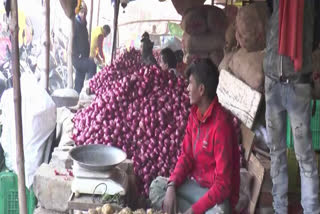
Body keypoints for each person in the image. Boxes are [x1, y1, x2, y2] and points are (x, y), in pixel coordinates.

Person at [149, 59, 240, 214]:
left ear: (202, 89)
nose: (188, 88)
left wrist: (194, 210)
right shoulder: (194, 116)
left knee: (220, 212)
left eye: (190, 83)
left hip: (215, 197)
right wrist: (171, 185)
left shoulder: (221, 125)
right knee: (157, 186)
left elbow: (223, 186)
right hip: (195, 187)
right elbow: (186, 156)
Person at [263, 0, 320, 213]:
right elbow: (268, 15)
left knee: (304, 156)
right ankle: (280, 208)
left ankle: (311, 210)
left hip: (298, 83)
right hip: (272, 81)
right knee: (276, 151)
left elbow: (316, 33)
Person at [72, 1, 96, 94]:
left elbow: (85, 41)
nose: (83, 15)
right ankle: (90, 90)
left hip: (83, 56)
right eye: (82, 12)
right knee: (91, 65)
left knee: (79, 78)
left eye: (85, 13)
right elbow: (71, 41)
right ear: (77, 12)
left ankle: (77, 94)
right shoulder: (75, 25)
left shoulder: (84, 26)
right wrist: (78, 54)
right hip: (77, 57)